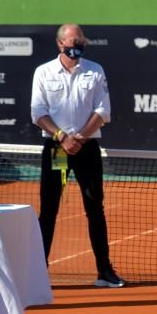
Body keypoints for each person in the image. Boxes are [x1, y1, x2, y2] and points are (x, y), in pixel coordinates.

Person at [30, 24, 125, 288]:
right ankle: (38, 274)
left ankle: (105, 272)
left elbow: (103, 110)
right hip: (57, 148)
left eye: (81, 40)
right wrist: (62, 136)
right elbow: (38, 112)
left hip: (86, 148)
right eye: (74, 40)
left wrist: (80, 137)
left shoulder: (95, 70)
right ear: (60, 43)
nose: (79, 44)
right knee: (49, 210)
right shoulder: (43, 72)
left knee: (95, 208)